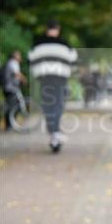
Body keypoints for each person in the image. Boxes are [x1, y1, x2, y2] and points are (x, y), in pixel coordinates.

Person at [28, 20, 77, 152]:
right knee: (58, 104)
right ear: (58, 29)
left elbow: (30, 59)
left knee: (48, 105)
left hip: (44, 78)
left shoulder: (37, 44)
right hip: (60, 78)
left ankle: (53, 132)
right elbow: (73, 59)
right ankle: (55, 132)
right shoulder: (65, 44)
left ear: (46, 29)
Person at [2, 50, 26, 130]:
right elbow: (17, 73)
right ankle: (9, 125)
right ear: (15, 56)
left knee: (13, 106)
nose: (20, 57)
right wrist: (24, 79)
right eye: (18, 55)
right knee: (12, 106)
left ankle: (11, 124)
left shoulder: (10, 63)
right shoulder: (13, 63)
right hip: (11, 88)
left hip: (9, 88)